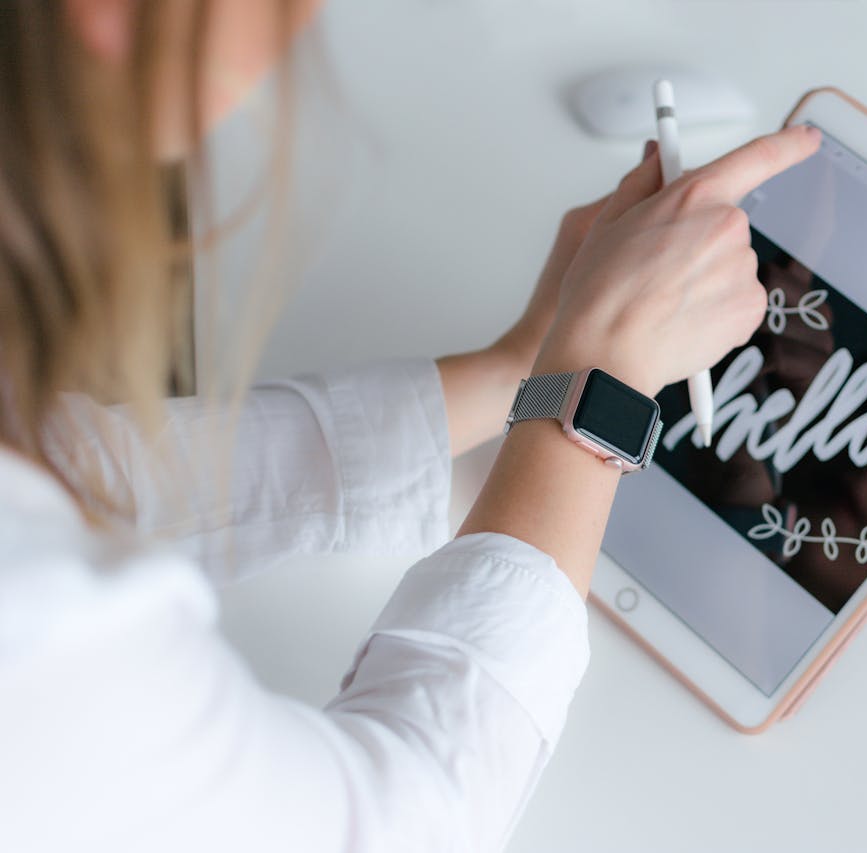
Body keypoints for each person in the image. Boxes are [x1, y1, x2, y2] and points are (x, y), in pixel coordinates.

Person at [0, 2, 820, 851]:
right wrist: (598, 383)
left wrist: (524, 365)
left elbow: (93, 471)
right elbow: (401, 821)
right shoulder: (42, 645)